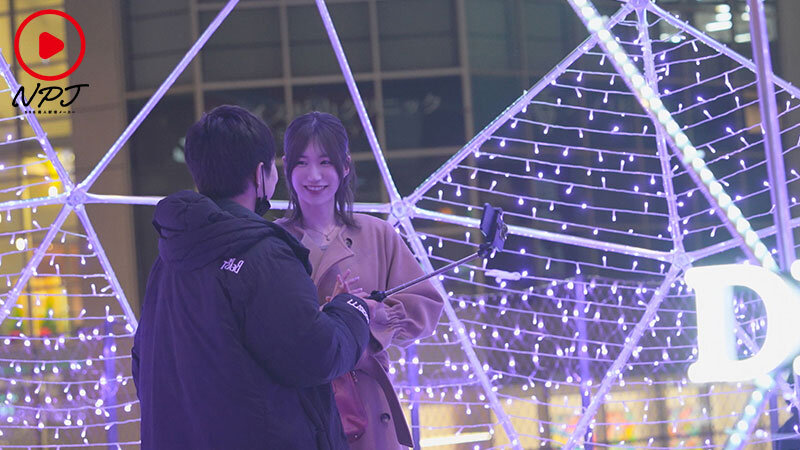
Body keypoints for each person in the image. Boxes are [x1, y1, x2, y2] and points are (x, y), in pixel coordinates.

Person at [132, 105, 371, 449]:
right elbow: (317, 355)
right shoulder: (263, 254)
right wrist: (351, 309)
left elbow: (143, 365)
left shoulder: (170, 257)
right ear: (261, 174)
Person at [276, 111, 444, 449]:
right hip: (300, 403)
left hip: (367, 402)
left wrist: (375, 317)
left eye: (325, 162)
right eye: (302, 163)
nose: (314, 175)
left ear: (345, 166)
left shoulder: (377, 233)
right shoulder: (274, 240)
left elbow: (425, 305)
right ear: (286, 167)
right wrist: (332, 315)